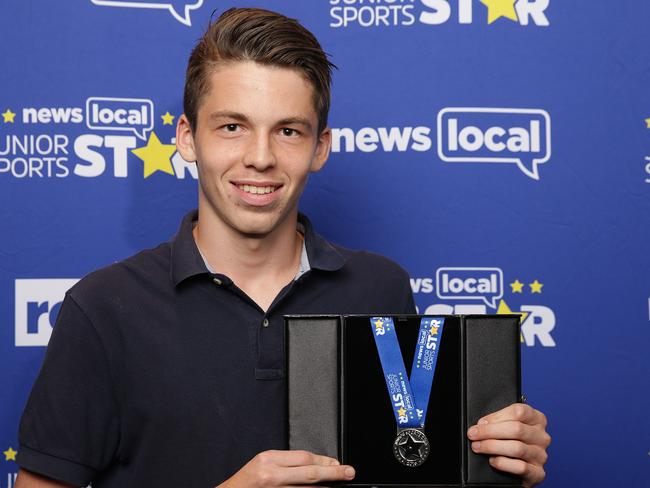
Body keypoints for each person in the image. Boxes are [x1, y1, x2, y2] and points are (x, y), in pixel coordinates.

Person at [14, 8, 550, 488]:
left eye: (289, 131)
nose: (261, 157)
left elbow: (410, 468)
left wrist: (495, 462)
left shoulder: (381, 287)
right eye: (232, 127)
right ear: (186, 138)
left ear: (320, 147)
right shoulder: (104, 306)